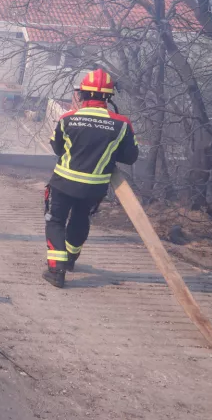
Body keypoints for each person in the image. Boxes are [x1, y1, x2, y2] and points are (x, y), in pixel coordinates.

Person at [44, 68, 138, 288]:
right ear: (109, 97)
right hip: (94, 187)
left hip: (64, 183)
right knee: (80, 218)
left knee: (56, 221)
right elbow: (130, 157)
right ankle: (69, 260)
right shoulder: (122, 124)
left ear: (83, 94)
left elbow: (57, 148)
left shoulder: (68, 118)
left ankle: (56, 271)